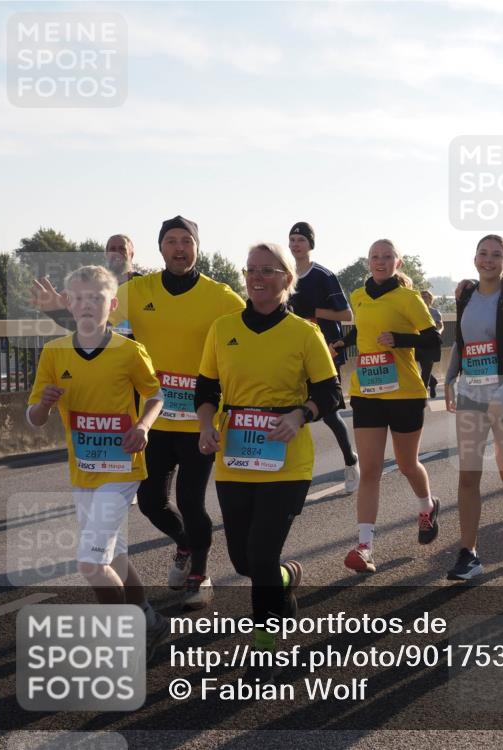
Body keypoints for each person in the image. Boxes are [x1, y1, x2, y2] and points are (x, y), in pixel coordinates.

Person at [195, 243, 340, 684]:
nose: (258, 278)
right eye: (252, 270)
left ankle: (264, 643)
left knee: (259, 551)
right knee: (243, 560)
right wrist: (205, 425)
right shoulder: (222, 328)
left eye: (269, 270)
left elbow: (330, 393)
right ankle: (282, 578)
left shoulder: (304, 333)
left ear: (286, 279)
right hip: (237, 456)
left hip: (287, 461)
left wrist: (300, 415)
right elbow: (205, 388)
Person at [26, 265, 169, 661]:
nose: (88, 305)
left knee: (90, 562)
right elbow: (34, 418)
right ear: (69, 304)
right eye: (80, 298)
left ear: (112, 304)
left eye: (96, 298)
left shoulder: (129, 351)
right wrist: (43, 405)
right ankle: (148, 619)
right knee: (115, 556)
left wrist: (143, 425)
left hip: (122, 470)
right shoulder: (55, 352)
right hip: (83, 471)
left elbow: (157, 396)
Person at [113, 217, 245, 608]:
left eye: (186, 241)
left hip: (200, 418)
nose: (179, 247)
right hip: (152, 419)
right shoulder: (135, 291)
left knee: (191, 500)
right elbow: (96, 320)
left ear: (197, 248)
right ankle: (185, 543)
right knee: (152, 501)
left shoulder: (221, 297)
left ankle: (200, 576)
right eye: (171, 241)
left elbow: (250, 333)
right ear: (160, 249)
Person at [334, 239, 442, 574]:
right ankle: (364, 546)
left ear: (398, 262)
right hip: (367, 391)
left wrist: (400, 339)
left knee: (408, 464)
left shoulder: (408, 298)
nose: (380, 262)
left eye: (386, 257)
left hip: (405, 392)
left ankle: (427, 506)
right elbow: (365, 332)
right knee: (370, 470)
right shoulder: (358, 296)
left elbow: (434, 341)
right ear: (368, 261)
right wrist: (344, 342)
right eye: (374, 257)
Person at [442, 235, 503, 581]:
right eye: (483, 253)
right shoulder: (466, 295)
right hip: (472, 394)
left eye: (496, 255)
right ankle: (468, 553)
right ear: (474, 258)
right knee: (468, 474)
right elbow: (462, 344)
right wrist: (449, 378)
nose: (488, 260)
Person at [287, 221, 360, 494]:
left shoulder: (323, 275)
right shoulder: (284, 274)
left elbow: (347, 315)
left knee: (328, 412)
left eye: (301, 240)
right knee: (291, 408)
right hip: (292, 349)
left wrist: (314, 312)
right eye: (292, 240)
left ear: (310, 244)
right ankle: (293, 474)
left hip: (324, 349)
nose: (296, 245)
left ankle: (350, 460)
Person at [416, 290, 444, 400]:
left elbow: (440, 325)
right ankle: (432, 382)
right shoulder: (416, 311)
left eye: (426, 297)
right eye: (421, 296)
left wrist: (438, 332)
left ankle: (421, 395)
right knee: (424, 368)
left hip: (431, 343)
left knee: (426, 369)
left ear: (430, 299)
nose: (423, 298)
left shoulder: (435, 312)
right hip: (418, 342)